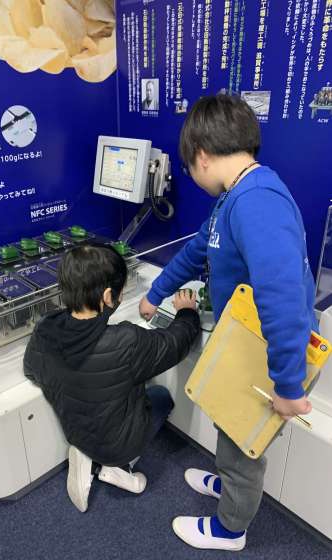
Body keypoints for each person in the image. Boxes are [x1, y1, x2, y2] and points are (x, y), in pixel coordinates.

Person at [139, 94, 317, 552]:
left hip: (265, 352)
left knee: (242, 442)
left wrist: (288, 384)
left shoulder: (257, 202)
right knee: (227, 423)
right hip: (240, 342)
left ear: (201, 155)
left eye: (188, 167)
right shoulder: (233, 198)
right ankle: (228, 482)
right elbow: (196, 251)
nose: (192, 176)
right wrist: (155, 294)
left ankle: (230, 529)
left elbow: (284, 299)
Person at [24, 243, 200, 513]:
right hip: (119, 446)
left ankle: (86, 453)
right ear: (107, 296)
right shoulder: (125, 341)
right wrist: (187, 312)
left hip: (75, 431)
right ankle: (117, 467)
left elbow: (31, 369)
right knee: (161, 397)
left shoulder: (45, 329)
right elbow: (175, 344)